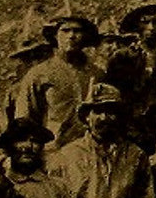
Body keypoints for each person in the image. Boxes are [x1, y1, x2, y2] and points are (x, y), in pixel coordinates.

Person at [9, 11, 101, 151]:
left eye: (77, 31)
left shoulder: (97, 73)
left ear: (85, 36)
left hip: (92, 150)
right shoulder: (39, 74)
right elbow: (25, 119)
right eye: (65, 30)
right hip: (55, 150)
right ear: (55, 35)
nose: (71, 36)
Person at [105, 2, 156, 152]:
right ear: (136, 26)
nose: (151, 28)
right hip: (128, 128)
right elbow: (114, 97)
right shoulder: (121, 58)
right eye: (145, 22)